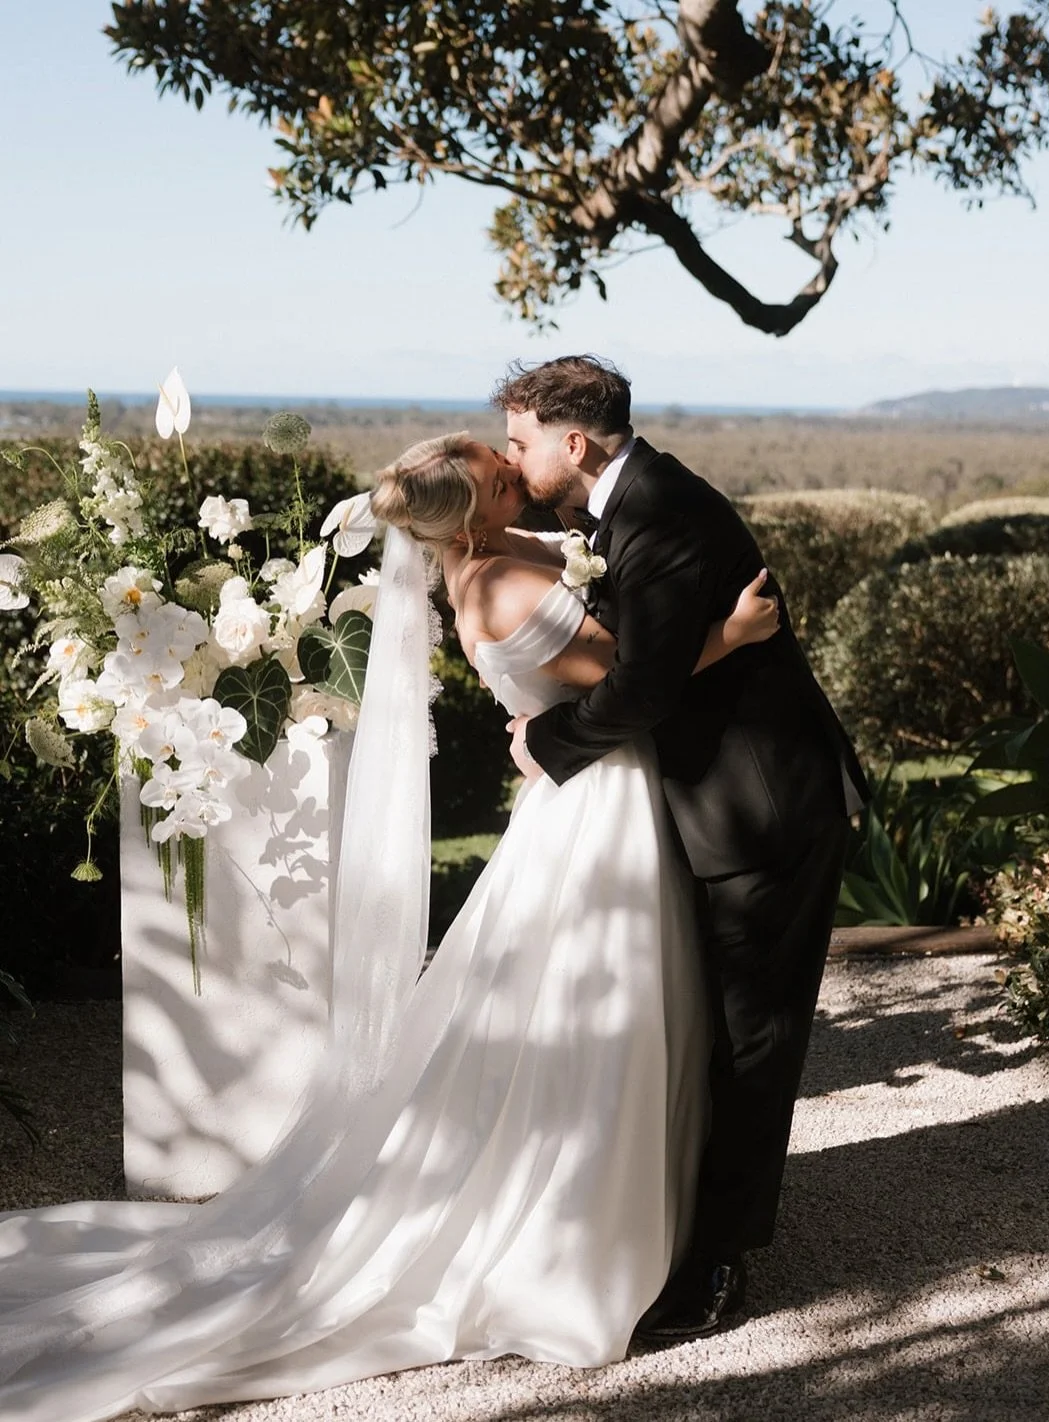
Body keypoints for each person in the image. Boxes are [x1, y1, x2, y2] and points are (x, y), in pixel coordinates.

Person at [0, 434, 778, 1422]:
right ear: (473, 514)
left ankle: (633, 1214)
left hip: (588, 796)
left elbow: (593, 597)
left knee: (608, 1007)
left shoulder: (492, 564)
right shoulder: (495, 584)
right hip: (596, 810)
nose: (517, 475)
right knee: (602, 1006)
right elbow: (633, 678)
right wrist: (733, 635)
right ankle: (580, 1232)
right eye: (504, 479)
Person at [494, 356, 870, 1342]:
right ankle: (678, 1226)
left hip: (761, 811)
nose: (511, 454)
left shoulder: (660, 518)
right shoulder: (620, 506)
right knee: (708, 1028)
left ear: (572, 443)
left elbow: (643, 689)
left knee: (751, 1038)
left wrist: (543, 742)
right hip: (711, 803)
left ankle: (714, 1267)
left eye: (521, 438)